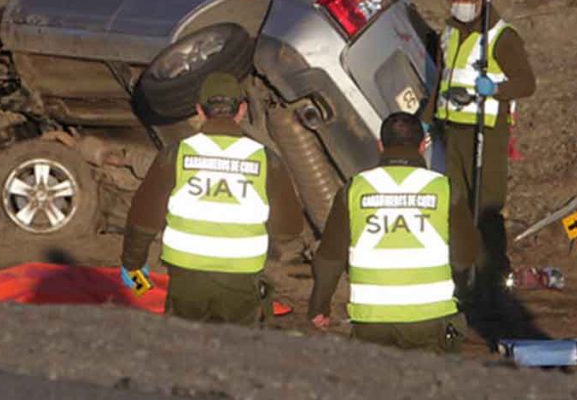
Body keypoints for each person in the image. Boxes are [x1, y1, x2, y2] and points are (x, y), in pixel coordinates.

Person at [119, 73, 305, 325]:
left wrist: (133, 263)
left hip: (186, 273)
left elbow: (144, 218)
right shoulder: (266, 160)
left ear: (199, 110)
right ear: (242, 110)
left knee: (185, 341)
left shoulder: (176, 154)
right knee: (235, 343)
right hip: (241, 274)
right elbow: (288, 229)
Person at [307, 112, 480, 352]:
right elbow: (465, 257)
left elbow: (330, 257)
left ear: (380, 145)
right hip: (430, 319)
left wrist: (319, 305)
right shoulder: (445, 189)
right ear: (423, 146)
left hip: (371, 321)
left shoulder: (354, 188)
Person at [431, 0, 536, 299]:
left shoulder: (501, 37)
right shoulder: (448, 33)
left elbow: (526, 83)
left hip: (486, 130)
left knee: (486, 202)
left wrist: (495, 89)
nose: (460, 5)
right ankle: (461, 268)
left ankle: (492, 272)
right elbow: (440, 77)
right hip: (452, 128)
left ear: (480, 0)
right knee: (456, 201)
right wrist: (426, 118)